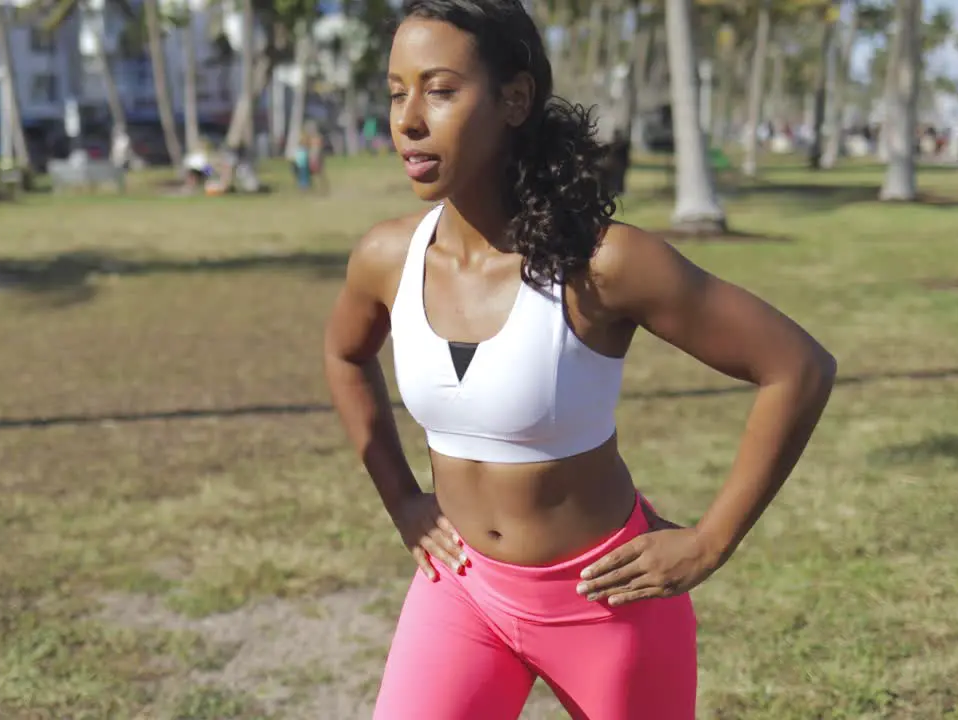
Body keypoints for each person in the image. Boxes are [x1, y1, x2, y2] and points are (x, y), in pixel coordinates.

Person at [321, 0, 838, 718]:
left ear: (514, 99)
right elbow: (346, 356)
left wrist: (711, 540)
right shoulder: (387, 256)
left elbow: (797, 367)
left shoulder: (604, 263)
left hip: (605, 603)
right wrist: (404, 502)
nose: (408, 118)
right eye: (396, 91)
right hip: (461, 592)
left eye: (439, 90)